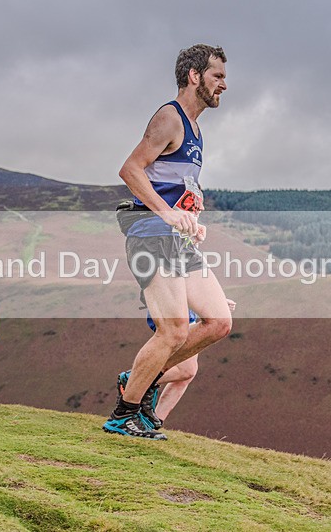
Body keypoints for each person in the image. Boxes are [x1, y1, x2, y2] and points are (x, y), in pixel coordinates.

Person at [103, 44, 232, 439]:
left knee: (219, 322)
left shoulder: (195, 130)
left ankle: (141, 377)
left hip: (178, 240)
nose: (224, 84)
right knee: (174, 330)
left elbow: (171, 182)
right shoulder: (169, 117)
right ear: (194, 76)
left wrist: (190, 210)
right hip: (151, 234)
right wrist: (166, 211)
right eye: (217, 76)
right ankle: (124, 414)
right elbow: (130, 169)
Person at [118, 298, 236, 428]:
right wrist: (213, 303)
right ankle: (134, 378)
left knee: (187, 373)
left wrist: (216, 299)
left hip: (184, 315)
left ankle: (155, 421)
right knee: (185, 371)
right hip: (175, 315)